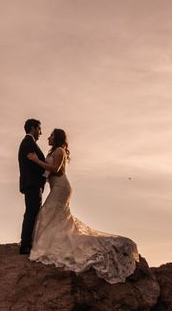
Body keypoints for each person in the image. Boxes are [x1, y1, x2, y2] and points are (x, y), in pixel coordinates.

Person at [26, 128, 139, 284]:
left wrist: (36, 161)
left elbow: (56, 170)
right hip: (56, 188)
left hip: (62, 188)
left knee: (47, 212)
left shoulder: (60, 150)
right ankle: (46, 242)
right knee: (53, 217)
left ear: (57, 137)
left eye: (51, 135)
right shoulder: (54, 151)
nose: (48, 137)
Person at [17, 118, 46, 255]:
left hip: (32, 184)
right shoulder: (28, 143)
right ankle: (25, 245)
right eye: (39, 129)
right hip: (32, 184)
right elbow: (33, 166)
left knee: (32, 212)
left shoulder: (29, 142)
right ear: (33, 128)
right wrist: (46, 173)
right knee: (31, 213)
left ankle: (28, 242)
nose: (41, 132)